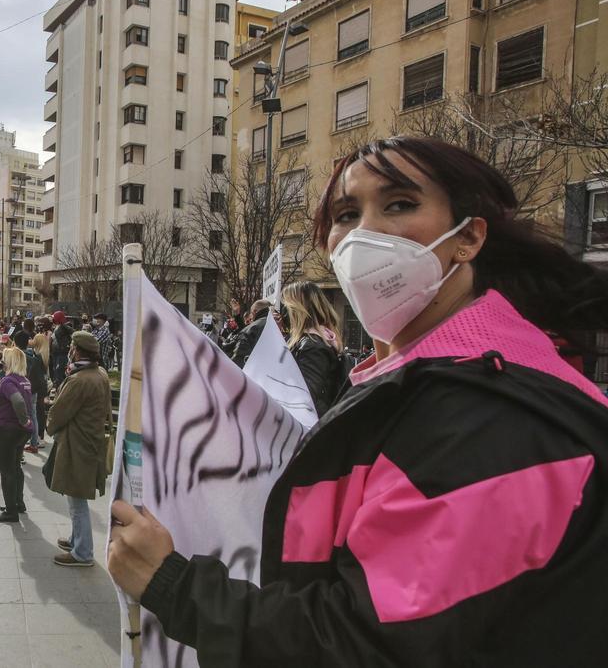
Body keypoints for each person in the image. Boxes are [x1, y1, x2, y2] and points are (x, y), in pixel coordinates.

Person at [106, 137, 608, 665]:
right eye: (347, 214)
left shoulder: (489, 419)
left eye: (399, 204)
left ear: (469, 237)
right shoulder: (425, 384)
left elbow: (363, 644)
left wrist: (174, 586)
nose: (363, 233)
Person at [46, 330, 111, 567]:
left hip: (78, 443)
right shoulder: (98, 373)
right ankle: (76, 540)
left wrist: (49, 417)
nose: (70, 350)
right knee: (75, 497)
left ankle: (83, 552)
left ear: (78, 350)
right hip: (88, 441)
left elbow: (59, 412)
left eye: (72, 347)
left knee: (76, 500)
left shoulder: (79, 379)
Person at [281, 281, 346, 416]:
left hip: (307, 428)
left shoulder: (312, 346)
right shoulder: (317, 341)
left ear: (298, 309)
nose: (284, 312)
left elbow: (304, 396)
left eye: (286, 306)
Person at [0, 347, 34, 523]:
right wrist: (25, 422)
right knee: (15, 467)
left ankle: (10, 511)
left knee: (6, 471)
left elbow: (18, 401)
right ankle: (17, 503)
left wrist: (23, 419)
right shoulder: (24, 380)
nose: (1, 360)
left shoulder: (8, 381)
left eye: (3, 358)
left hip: (7, 429)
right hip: (21, 432)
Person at [229, 299, 272, 367]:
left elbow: (238, 359)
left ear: (255, 311)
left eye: (251, 313)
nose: (251, 317)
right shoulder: (278, 324)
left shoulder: (252, 329)